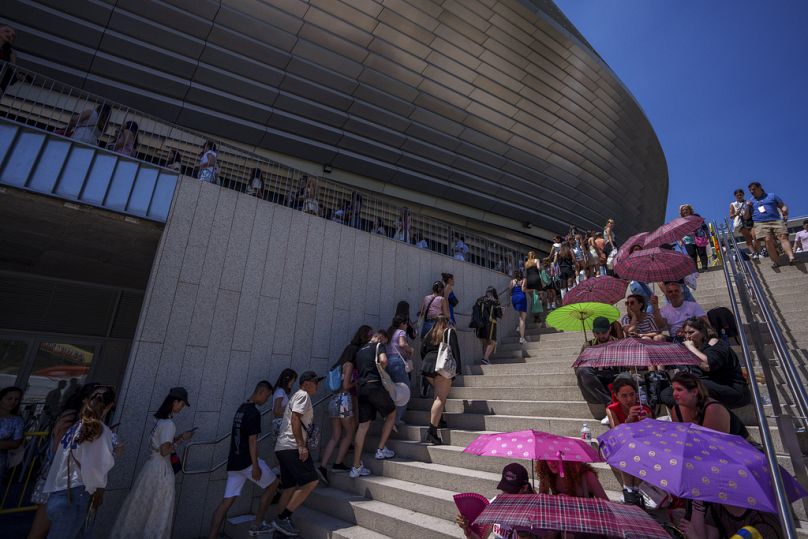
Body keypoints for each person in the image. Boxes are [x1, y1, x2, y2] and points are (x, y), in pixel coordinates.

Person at [111, 387, 195, 538]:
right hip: (161, 469)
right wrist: (182, 439)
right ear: (174, 402)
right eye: (181, 404)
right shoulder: (169, 424)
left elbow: (160, 446)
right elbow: (164, 450)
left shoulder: (159, 421)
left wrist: (178, 438)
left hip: (150, 467)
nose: (182, 408)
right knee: (159, 508)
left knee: (142, 506)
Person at [43, 386, 117, 539]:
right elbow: (97, 466)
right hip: (77, 493)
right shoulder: (100, 429)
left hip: (58, 490)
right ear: (110, 406)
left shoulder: (76, 426)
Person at [208, 381, 278, 539]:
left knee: (226, 503)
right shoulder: (253, 413)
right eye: (267, 396)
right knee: (273, 484)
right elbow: (253, 441)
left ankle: (211, 537)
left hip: (234, 463)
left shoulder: (240, 409)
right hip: (247, 462)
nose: (266, 400)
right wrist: (255, 466)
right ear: (261, 391)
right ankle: (257, 524)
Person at [660, 317, 751, 409]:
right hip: (706, 388)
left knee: (694, 385)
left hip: (732, 389)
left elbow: (708, 365)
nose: (687, 337)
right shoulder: (695, 349)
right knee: (667, 393)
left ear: (703, 332)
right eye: (685, 333)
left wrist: (691, 348)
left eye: (691, 332)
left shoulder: (715, 344)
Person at [273, 372, 323, 536]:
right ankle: (283, 518)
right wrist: (301, 446)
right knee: (311, 481)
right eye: (316, 382)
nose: (318, 385)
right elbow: (295, 419)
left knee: (288, 488)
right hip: (293, 447)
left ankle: (279, 527)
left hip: (283, 447)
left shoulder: (297, 396)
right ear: (307, 383)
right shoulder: (303, 395)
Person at [352, 330, 397, 476]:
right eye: (383, 339)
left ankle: (356, 466)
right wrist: (381, 369)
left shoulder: (359, 351)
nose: (383, 342)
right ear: (378, 337)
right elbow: (383, 360)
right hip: (375, 386)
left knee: (363, 426)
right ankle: (381, 449)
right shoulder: (379, 346)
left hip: (362, 389)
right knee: (391, 413)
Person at [605, 375, 653, 506]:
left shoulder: (644, 408)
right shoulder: (612, 409)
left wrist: (647, 422)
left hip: (642, 445)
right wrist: (629, 420)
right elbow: (617, 433)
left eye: (632, 394)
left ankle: (635, 490)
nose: (629, 399)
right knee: (626, 449)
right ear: (617, 395)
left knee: (636, 449)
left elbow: (652, 435)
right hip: (621, 445)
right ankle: (630, 490)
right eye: (624, 396)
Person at [454, 463, 535, 539]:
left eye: (511, 491)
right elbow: (482, 537)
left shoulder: (536, 515)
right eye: (504, 489)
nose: (505, 495)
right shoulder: (496, 503)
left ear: (524, 488)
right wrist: (467, 529)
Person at [669, 372, 749, 439]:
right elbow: (680, 438)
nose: (674, 394)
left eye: (679, 390)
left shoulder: (713, 410)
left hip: (742, 450)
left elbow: (715, 444)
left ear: (694, 392)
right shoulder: (676, 410)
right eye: (673, 390)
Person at [319, 344, 358, 481]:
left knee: (335, 436)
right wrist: (357, 382)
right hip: (344, 400)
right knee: (350, 432)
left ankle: (323, 465)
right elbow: (346, 385)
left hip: (333, 400)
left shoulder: (337, 365)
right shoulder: (349, 365)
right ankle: (338, 462)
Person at [421, 316, 461, 445]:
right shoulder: (449, 332)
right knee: (440, 398)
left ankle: (440, 418)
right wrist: (457, 370)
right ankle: (431, 432)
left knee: (438, 395)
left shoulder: (429, 334)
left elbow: (422, 350)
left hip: (428, 367)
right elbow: (455, 352)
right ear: (446, 323)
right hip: (442, 367)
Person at [575, 316, 620, 419]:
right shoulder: (588, 345)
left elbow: (626, 365)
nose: (601, 336)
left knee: (626, 377)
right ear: (594, 332)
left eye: (604, 332)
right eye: (597, 333)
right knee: (582, 371)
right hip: (596, 376)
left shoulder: (618, 343)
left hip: (614, 375)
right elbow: (578, 367)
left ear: (609, 329)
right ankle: (609, 402)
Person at [747, 181, 795, 267]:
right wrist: (747, 207)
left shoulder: (772, 196)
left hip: (775, 220)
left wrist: (784, 211)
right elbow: (746, 216)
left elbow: (782, 206)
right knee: (767, 240)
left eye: (753, 189)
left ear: (760, 187)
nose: (751, 191)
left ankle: (791, 257)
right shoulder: (750, 201)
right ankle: (776, 262)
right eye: (750, 190)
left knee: (783, 237)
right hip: (760, 223)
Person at [386, 314, 414, 428]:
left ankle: (388, 417)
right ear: (402, 324)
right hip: (398, 362)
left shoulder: (390, 333)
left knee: (392, 391)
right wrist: (410, 349)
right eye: (406, 323)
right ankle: (396, 419)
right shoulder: (401, 332)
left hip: (388, 362)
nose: (407, 325)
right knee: (404, 390)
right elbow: (402, 344)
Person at [536, 459, 608, 499]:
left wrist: (572, 501)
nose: (552, 462)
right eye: (548, 457)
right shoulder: (549, 474)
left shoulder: (587, 477)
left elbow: (607, 506)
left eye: (556, 457)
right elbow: (542, 501)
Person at [0, 386, 24, 486]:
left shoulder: (17, 420)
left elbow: (16, 443)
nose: (13, 402)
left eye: (16, 399)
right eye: (9, 398)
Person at [475, 287, 503, 365]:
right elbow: (499, 314)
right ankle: (485, 358)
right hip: (490, 324)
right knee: (493, 342)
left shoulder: (480, 300)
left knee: (485, 342)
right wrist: (502, 311)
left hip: (480, 324)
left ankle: (485, 359)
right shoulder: (495, 302)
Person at [679, 204, 710, 272]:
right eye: (683, 210)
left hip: (699, 236)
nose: (685, 211)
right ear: (681, 212)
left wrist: (707, 233)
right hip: (687, 239)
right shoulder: (681, 220)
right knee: (692, 254)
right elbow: (680, 231)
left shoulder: (696, 216)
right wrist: (680, 240)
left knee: (702, 252)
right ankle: (695, 270)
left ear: (690, 210)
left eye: (686, 209)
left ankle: (705, 267)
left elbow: (703, 225)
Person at [729, 188, 759, 257]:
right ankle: (754, 253)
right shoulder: (733, 204)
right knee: (748, 238)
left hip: (750, 220)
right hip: (741, 222)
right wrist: (736, 213)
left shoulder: (748, 202)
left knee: (755, 237)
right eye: (737, 195)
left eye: (740, 195)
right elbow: (731, 216)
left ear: (743, 195)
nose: (739, 196)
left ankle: (756, 251)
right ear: (735, 196)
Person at [272, 369, 298, 437]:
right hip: (281, 424)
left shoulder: (281, 391)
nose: (292, 383)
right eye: (293, 380)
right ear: (288, 380)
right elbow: (276, 411)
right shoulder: (280, 392)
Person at [509, 270, 528, 345]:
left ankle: (519, 327)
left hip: (514, 299)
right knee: (522, 319)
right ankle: (522, 338)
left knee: (520, 316)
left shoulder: (512, 281)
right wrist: (530, 290)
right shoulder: (524, 280)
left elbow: (510, 292)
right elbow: (523, 289)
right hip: (521, 298)